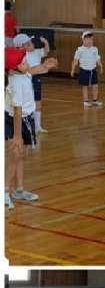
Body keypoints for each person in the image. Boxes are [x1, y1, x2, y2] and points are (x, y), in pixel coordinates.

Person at [5, 47, 58, 208]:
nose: (26, 62)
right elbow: (17, 111)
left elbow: (34, 70)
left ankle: (19, 189)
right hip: (15, 119)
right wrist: (17, 136)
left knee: (22, 154)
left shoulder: (23, 73)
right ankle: (5, 191)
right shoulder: (15, 83)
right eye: (23, 62)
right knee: (15, 153)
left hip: (26, 118)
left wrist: (46, 65)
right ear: (13, 69)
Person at [13, 32, 50, 133]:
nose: (32, 45)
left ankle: (37, 126)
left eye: (31, 43)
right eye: (28, 44)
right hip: (25, 79)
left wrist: (46, 42)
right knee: (25, 103)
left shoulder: (37, 52)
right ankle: (24, 126)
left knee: (37, 101)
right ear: (21, 47)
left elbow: (46, 51)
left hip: (36, 78)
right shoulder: (19, 56)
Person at [71, 31, 103, 108]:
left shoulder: (95, 49)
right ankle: (85, 101)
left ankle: (95, 100)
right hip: (84, 70)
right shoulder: (80, 49)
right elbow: (75, 60)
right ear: (83, 40)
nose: (90, 41)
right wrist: (72, 70)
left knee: (95, 85)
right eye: (88, 39)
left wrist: (101, 66)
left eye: (91, 39)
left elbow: (97, 59)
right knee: (85, 86)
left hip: (93, 70)